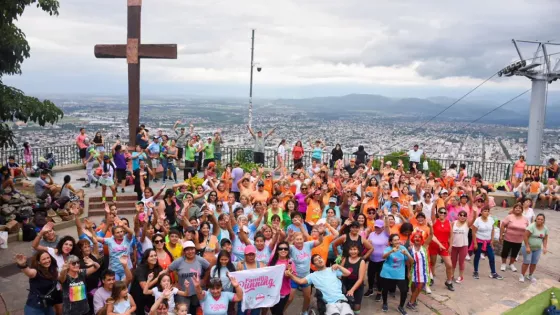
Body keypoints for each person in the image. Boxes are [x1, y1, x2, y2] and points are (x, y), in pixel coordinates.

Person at [286, 254, 353, 315]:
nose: (319, 260)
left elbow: (348, 273)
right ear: (313, 265)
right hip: (329, 304)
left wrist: (339, 266)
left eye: (320, 258)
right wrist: (290, 275)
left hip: (342, 301)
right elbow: (300, 281)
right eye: (316, 260)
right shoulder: (312, 276)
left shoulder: (332, 270)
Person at [168, 241, 210, 314]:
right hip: (183, 292)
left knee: (195, 310)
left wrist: (204, 280)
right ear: (184, 251)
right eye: (187, 249)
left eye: (192, 249)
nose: (190, 251)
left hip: (196, 292)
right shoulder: (179, 261)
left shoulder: (200, 259)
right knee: (183, 312)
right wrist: (173, 283)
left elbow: (209, 268)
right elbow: (168, 271)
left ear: (195, 250)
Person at [380, 234, 413, 314]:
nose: (397, 241)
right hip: (387, 273)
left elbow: (412, 261)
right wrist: (391, 251)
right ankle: (384, 303)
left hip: (399, 274)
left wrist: (407, 254)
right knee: (385, 289)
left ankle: (401, 307)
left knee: (404, 290)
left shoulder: (403, 248)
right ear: (391, 242)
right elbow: (383, 257)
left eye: (398, 239)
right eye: (395, 240)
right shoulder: (388, 248)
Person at [407, 223, 434, 311]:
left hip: (423, 272)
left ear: (421, 239)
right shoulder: (410, 249)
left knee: (419, 287)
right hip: (413, 271)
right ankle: (414, 300)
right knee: (414, 288)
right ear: (413, 239)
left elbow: (431, 235)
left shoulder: (425, 246)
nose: (417, 238)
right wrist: (408, 272)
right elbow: (408, 262)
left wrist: (430, 227)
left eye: (419, 237)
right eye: (415, 237)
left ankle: (410, 303)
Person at [130, 249, 165, 314]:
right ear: (146, 258)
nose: (154, 257)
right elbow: (144, 287)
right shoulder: (140, 269)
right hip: (139, 296)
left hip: (152, 295)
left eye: (155, 255)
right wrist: (157, 278)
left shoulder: (158, 268)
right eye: (151, 256)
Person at [472, 207, 503, 280]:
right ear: (481, 212)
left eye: (488, 211)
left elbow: (492, 230)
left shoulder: (491, 219)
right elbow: (473, 232)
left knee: (491, 257)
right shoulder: (478, 220)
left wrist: (492, 240)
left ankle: (493, 273)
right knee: (477, 256)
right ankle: (475, 271)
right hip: (479, 241)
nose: (487, 212)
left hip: (488, 242)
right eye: (485, 211)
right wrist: (475, 243)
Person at [429, 207, 455, 291]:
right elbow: (432, 212)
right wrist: (434, 204)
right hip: (434, 244)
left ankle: (449, 281)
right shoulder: (435, 221)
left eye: (444, 213)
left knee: (449, 264)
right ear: (438, 213)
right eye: (441, 212)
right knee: (433, 262)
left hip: (444, 245)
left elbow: (451, 236)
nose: (442, 214)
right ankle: (431, 277)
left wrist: (450, 246)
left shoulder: (449, 222)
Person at [499, 203, 529, 272]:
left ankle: (511, 264)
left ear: (522, 210)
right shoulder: (509, 217)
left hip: (519, 240)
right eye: (516, 208)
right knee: (505, 251)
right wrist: (501, 235)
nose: (518, 209)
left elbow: (527, 229)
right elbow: (502, 225)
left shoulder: (525, 219)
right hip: (508, 238)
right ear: (513, 209)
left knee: (515, 253)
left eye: (519, 208)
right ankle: (503, 264)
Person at [520, 213, 548, 283]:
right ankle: (522, 275)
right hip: (528, 247)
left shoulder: (545, 228)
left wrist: (544, 247)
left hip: (537, 249)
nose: (540, 220)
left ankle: (530, 275)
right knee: (526, 262)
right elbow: (525, 236)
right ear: (536, 219)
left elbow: (545, 238)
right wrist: (527, 247)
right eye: (538, 219)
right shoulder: (531, 227)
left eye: (542, 219)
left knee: (534, 263)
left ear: (544, 221)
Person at [268, 242, 293, 315]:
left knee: (278, 312)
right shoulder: (272, 259)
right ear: (277, 250)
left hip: (283, 293)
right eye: (280, 248)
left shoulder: (290, 263)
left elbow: (292, 276)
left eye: (285, 249)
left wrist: (288, 274)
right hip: (272, 292)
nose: (283, 250)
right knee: (273, 311)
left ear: (288, 250)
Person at [341, 244, 366, 314]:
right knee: (345, 304)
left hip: (357, 286)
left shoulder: (361, 261)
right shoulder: (345, 259)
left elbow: (360, 279)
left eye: (355, 249)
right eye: (351, 249)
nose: (352, 251)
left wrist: (352, 290)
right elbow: (339, 271)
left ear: (358, 251)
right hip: (345, 284)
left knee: (356, 306)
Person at [451, 210, 474, 284]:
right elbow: (450, 235)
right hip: (454, 246)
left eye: (464, 215)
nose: (462, 217)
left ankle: (461, 276)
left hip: (463, 246)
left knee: (461, 262)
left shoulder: (467, 224)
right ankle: (451, 275)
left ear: (466, 217)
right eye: (460, 215)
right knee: (453, 262)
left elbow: (473, 220)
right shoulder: (453, 223)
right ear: (458, 216)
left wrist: (475, 212)